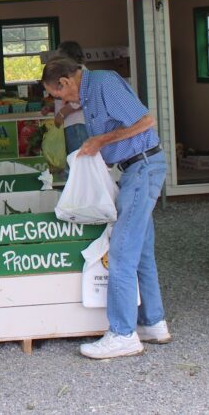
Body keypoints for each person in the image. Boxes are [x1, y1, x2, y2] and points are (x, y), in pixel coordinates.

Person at [41, 57, 171, 360]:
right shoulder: (88, 93)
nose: (61, 101)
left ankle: (123, 334)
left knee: (121, 252)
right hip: (134, 169)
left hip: (143, 168)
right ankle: (153, 323)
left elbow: (145, 121)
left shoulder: (103, 84)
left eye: (58, 95)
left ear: (66, 82)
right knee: (141, 250)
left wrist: (101, 140)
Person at [51, 41, 88, 154]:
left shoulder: (80, 72)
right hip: (71, 124)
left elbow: (83, 97)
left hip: (77, 124)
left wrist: (62, 113)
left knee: (78, 162)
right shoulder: (71, 71)